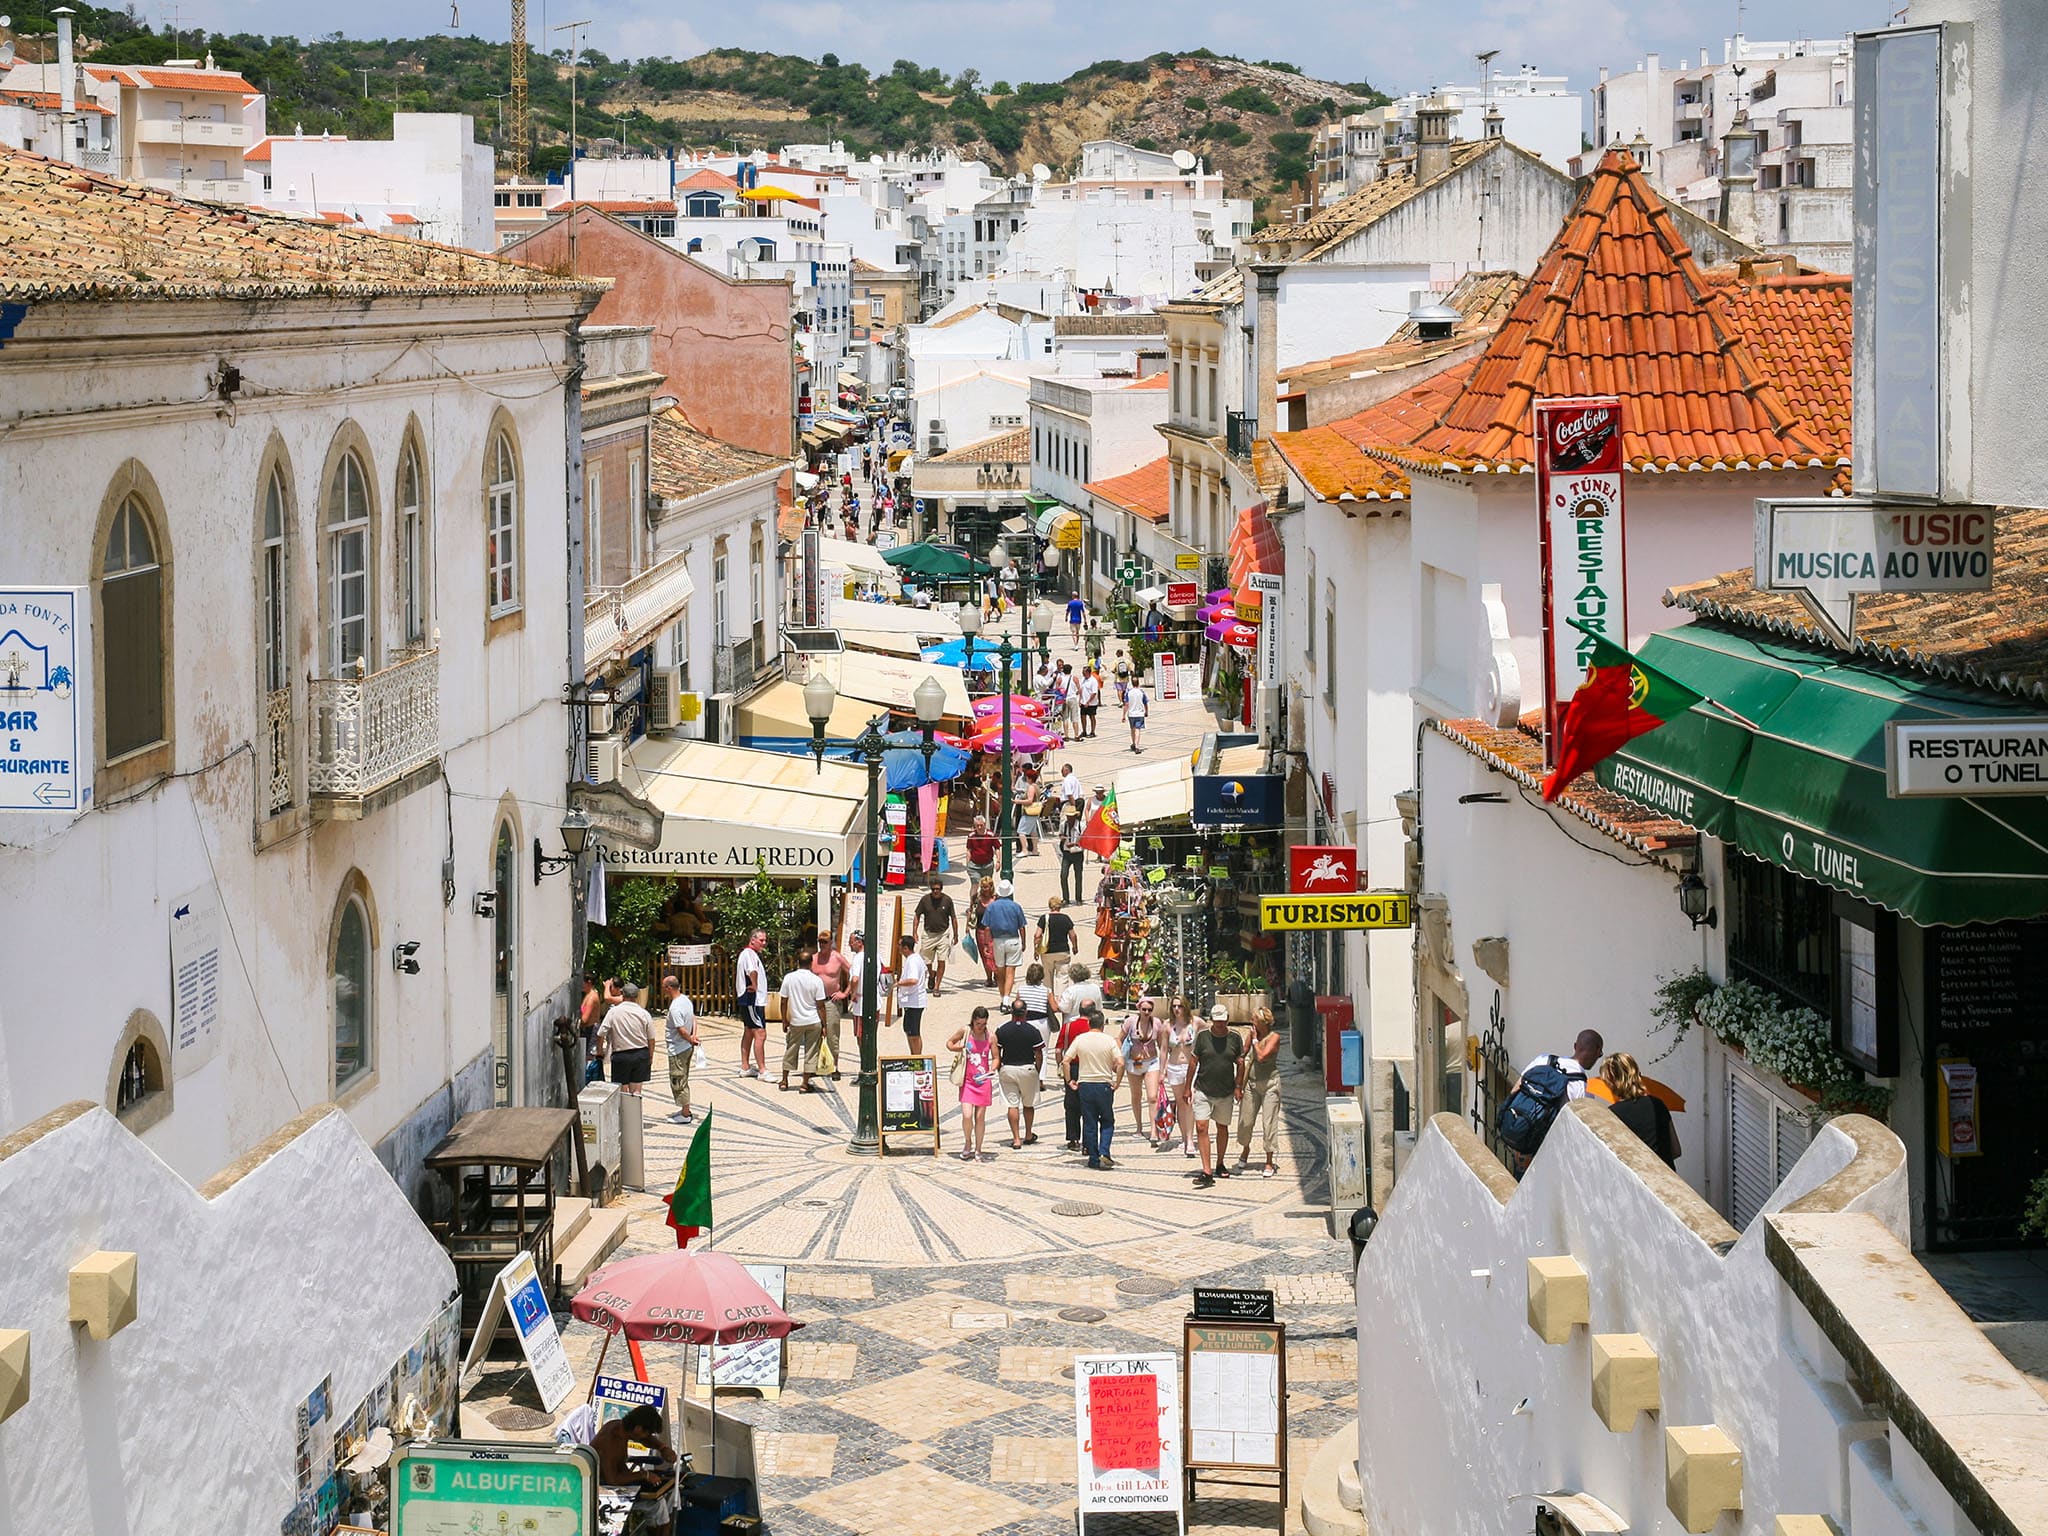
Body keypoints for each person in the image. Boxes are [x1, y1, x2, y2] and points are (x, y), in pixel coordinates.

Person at [1062, 1006, 1125, 1170]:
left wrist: (1069, 1080)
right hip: (1103, 1084)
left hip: (1085, 1085)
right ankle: (1105, 1151)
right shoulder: (1109, 1040)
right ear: (1103, 1025)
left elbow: (1066, 1061)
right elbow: (1120, 1063)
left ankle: (1093, 1157)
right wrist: (1117, 1082)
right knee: (1107, 1120)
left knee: (1089, 1122)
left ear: (1089, 1024)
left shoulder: (1081, 1039)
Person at [1191, 1003, 1246, 1187]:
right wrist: (1187, 1087)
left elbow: (1240, 1063)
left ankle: (1220, 1162)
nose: (1220, 1025)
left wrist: (1238, 1086)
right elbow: (1193, 1062)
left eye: (1223, 1021)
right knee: (1201, 1127)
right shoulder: (1202, 1037)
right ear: (1212, 1020)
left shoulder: (1235, 1038)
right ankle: (1206, 1170)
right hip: (1203, 1089)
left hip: (1225, 1090)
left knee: (1222, 1127)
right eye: (1217, 1021)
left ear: (1227, 1020)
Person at [591, 1403, 678, 1521]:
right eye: (648, 1432)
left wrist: (663, 1448)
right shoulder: (609, 1442)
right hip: (605, 1491)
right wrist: (643, 1475)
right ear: (638, 1428)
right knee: (658, 1505)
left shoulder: (621, 1428)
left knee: (672, 1492)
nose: (648, 1436)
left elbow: (646, 1439)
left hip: (623, 1482)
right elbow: (612, 1480)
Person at [1601, 1052, 1681, 1166]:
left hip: (1637, 1181)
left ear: (1612, 1080)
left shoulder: (1612, 1114)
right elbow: (1676, 1150)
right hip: (1666, 1179)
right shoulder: (1657, 1104)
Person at [1234, 1007, 1283, 1178]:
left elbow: (1261, 1056)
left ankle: (1269, 1160)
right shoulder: (1252, 1034)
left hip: (1270, 1084)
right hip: (1252, 1084)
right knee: (1245, 1122)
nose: (1251, 1021)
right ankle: (1245, 1148)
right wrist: (1238, 1085)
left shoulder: (1274, 1037)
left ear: (1262, 1022)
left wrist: (1255, 1040)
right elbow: (1242, 1054)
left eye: (1254, 1019)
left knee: (1268, 1123)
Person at [948, 1007, 998, 1161]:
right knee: (967, 1115)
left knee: (980, 1117)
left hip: (983, 1080)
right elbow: (949, 1043)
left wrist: (992, 1069)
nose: (981, 1027)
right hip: (968, 1080)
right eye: (978, 1024)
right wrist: (960, 1048)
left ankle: (978, 1148)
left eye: (983, 1024)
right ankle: (968, 1141)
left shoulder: (991, 1037)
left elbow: (996, 1057)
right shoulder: (966, 1031)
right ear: (973, 1021)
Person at [995, 997, 1045, 1149]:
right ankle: (1028, 1134)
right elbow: (1039, 1053)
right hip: (1027, 1068)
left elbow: (996, 1050)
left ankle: (1016, 1139)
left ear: (1011, 1012)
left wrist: (999, 1068)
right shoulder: (1032, 1030)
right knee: (1028, 1105)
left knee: (1012, 1105)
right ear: (1026, 1012)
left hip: (1008, 1068)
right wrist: (1037, 1068)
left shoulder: (1002, 1029)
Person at [777, 946, 827, 1093]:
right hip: (813, 1020)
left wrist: (784, 1020)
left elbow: (783, 1001)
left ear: (797, 963)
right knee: (811, 1052)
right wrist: (825, 1025)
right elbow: (821, 1006)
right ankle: (805, 1084)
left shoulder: (789, 978)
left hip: (796, 1021)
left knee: (791, 1049)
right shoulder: (816, 980)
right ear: (811, 963)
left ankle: (785, 1080)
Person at [600, 982, 655, 1097]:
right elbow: (651, 1039)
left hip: (621, 1055)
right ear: (636, 996)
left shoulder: (613, 1012)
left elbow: (601, 1033)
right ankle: (634, 1114)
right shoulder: (644, 1013)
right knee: (636, 1090)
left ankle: (623, 1114)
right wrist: (650, 1056)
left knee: (622, 1090)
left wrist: (600, 1051)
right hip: (641, 1054)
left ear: (622, 995)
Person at [1121, 997, 1164, 1144]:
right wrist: (1118, 1058)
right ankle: (1139, 1127)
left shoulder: (1157, 1023)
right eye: (1144, 1009)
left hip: (1151, 1062)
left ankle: (1153, 1130)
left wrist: (1165, 1067)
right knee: (1136, 1095)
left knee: (1152, 1096)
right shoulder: (1130, 1022)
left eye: (1149, 1010)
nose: (1146, 1012)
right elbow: (1118, 1038)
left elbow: (1162, 1046)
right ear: (1138, 1008)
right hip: (1134, 1062)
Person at [812, 930, 851, 1081]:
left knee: (832, 1034)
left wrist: (845, 992)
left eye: (825, 942)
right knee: (814, 1033)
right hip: (815, 1001)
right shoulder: (814, 958)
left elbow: (854, 974)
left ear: (831, 942)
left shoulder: (837, 957)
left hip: (831, 1000)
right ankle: (816, 1065)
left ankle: (835, 1066)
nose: (822, 945)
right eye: (820, 941)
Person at [1056, 1004, 1096, 1150]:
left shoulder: (1067, 1027)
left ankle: (1073, 1139)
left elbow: (1058, 1049)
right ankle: (1087, 1143)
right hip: (1089, 1068)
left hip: (1071, 1067)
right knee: (1088, 1105)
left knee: (1071, 1105)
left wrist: (1060, 1065)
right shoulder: (1093, 1028)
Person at [660, 975, 699, 1124]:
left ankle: (685, 1113)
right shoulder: (686, 1000)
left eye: (664, 987)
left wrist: (690, 1038)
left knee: (678, 1079)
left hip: (678, 1048)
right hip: (687, 1046)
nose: (663, 989)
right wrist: (694, 1036)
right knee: (683, 1077)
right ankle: (685, 1109)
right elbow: (694, 1019)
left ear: (669, 988)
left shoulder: (675, 1007)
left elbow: (681, 1030)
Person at [1162, 996, 1198, 1155]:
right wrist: (1161, 1071)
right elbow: (1163, 1050)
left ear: (1186, 1007)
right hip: (1174, 1066)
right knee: (1181, 1104)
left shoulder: (1195, 1022)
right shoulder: (1168, 1025)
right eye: (1174, 1006)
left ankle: (1190, 1139)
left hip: (1191, 1066)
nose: (1177, 1009)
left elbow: (1210, 1030)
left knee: (1190, 1102)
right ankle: (1185, 1137)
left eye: (1180, 1006)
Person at [914, 875, 958, 997]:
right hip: (928, 933)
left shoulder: (947, 900)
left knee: (941, 960)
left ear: (941, 889)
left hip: (943, 933)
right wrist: (915, 932)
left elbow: (953, 917)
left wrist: (956, 934)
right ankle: (931, 973)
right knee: (926, 959)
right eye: (933, 889)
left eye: (937, 889)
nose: (935, 891)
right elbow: (917, 915)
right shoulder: (925, 900)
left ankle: (937, 987)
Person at [982, 878, 1027, 998]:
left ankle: (1002, 998)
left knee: (1000, 971)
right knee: (1010, 972)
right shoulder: (1016, 906)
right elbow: (1021, 927)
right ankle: (1007, 999)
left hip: (998, 941)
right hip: (1013, 940)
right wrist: (1023, 942)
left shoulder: (992, 907)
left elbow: (987, 928)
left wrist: (986, 944)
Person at [734, 930, 768, 1079]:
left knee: (749, 1031)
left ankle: (745, 1066)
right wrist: (754, 985)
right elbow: (752, 971)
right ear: (752, 940)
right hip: (752, 999)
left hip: (749, 999)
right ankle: (762, 1070)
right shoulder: (749, 954)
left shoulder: (750, 954)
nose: (764, 943)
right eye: (761, 940)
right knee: (760, 1033)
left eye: (765, 940)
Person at [892, 932, 929, 1054]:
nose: (898, 948)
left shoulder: (912, 961)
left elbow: (913, 980)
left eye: (899, 945)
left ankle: (917, 1057)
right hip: (911, 1002)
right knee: (909, 1030)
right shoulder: (915, 958)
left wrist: (898, 983)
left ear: (905, 948)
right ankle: (913, 1055)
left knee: (914, 1033)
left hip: (914, 1002)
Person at [1035, 897, 1076, 999]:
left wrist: (1036, 950)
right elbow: (1073, 935)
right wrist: (1075, 946)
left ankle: (1049, 999)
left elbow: (1037, 935)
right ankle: (1061, 999)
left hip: (1047, 951)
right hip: (1062, 950)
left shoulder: (1044, 918)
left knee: (1047, 977)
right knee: (1062, 976)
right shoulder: (1065, 918)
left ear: (1050, 906)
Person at [966, 817, 998, 883]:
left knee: (987, 885)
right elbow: (968, 850)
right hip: (974, 865)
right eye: (977, 825)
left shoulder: (990, 835)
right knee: (975, 884)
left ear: (985, 824)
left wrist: (998, 861)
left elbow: (997, 848)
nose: (979, 827)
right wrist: (968, 864)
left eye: (981, 825)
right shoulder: (971, 836)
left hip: (988, 865)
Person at [1127, 679, 1150, 753]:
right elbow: (1145, 703)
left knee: (1132, 729)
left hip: (1131, 714)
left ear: (1132, 683)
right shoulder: (1141, 692)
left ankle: (1134, 743)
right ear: (1138, 683)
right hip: (1140, 714)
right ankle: (1137, 746)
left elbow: (1126, 704)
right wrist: (1146, 711)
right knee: (1138, 729)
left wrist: (1123, 715)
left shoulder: (1129, 692)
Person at [1077, 667, 1101, 738]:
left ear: (1088, 672)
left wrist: (1088, 702)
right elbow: (1081, 689)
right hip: (1083, 702)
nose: (1083, 674)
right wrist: (1080, 700)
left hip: (1091, 703)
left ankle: (1092, 731)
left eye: (1084, 672)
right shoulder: (1083, 680)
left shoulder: (1093, 681)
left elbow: (1094, 693)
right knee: (1083, 716)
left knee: (1092, 716)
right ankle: (1084, 731)